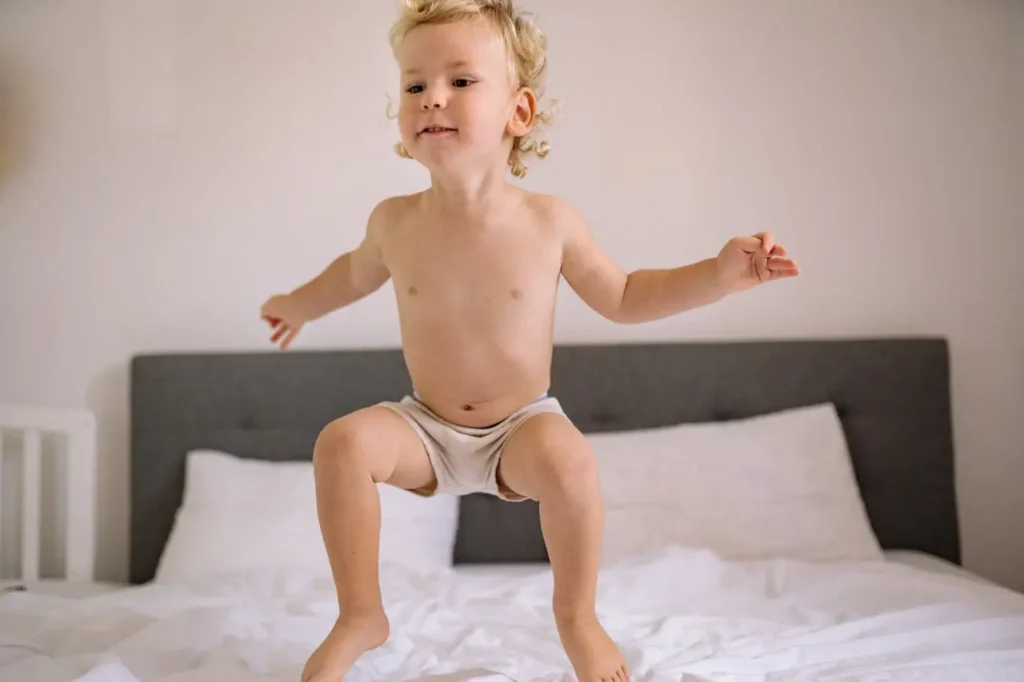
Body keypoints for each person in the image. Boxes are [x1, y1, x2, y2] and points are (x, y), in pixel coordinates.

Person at [260, 1, 800, 680]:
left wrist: (720, 276)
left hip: (519, 429)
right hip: (425, 427)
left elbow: (627, 295)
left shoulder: (550, 221)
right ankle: (360, 613)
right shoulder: (393, 222)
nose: (432, 96)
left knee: (572, 460)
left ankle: (578, 617)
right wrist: (295, 305)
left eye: (460, 80)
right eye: (413, 83)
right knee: (341, 442)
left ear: (519, 112)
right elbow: (349, 276)